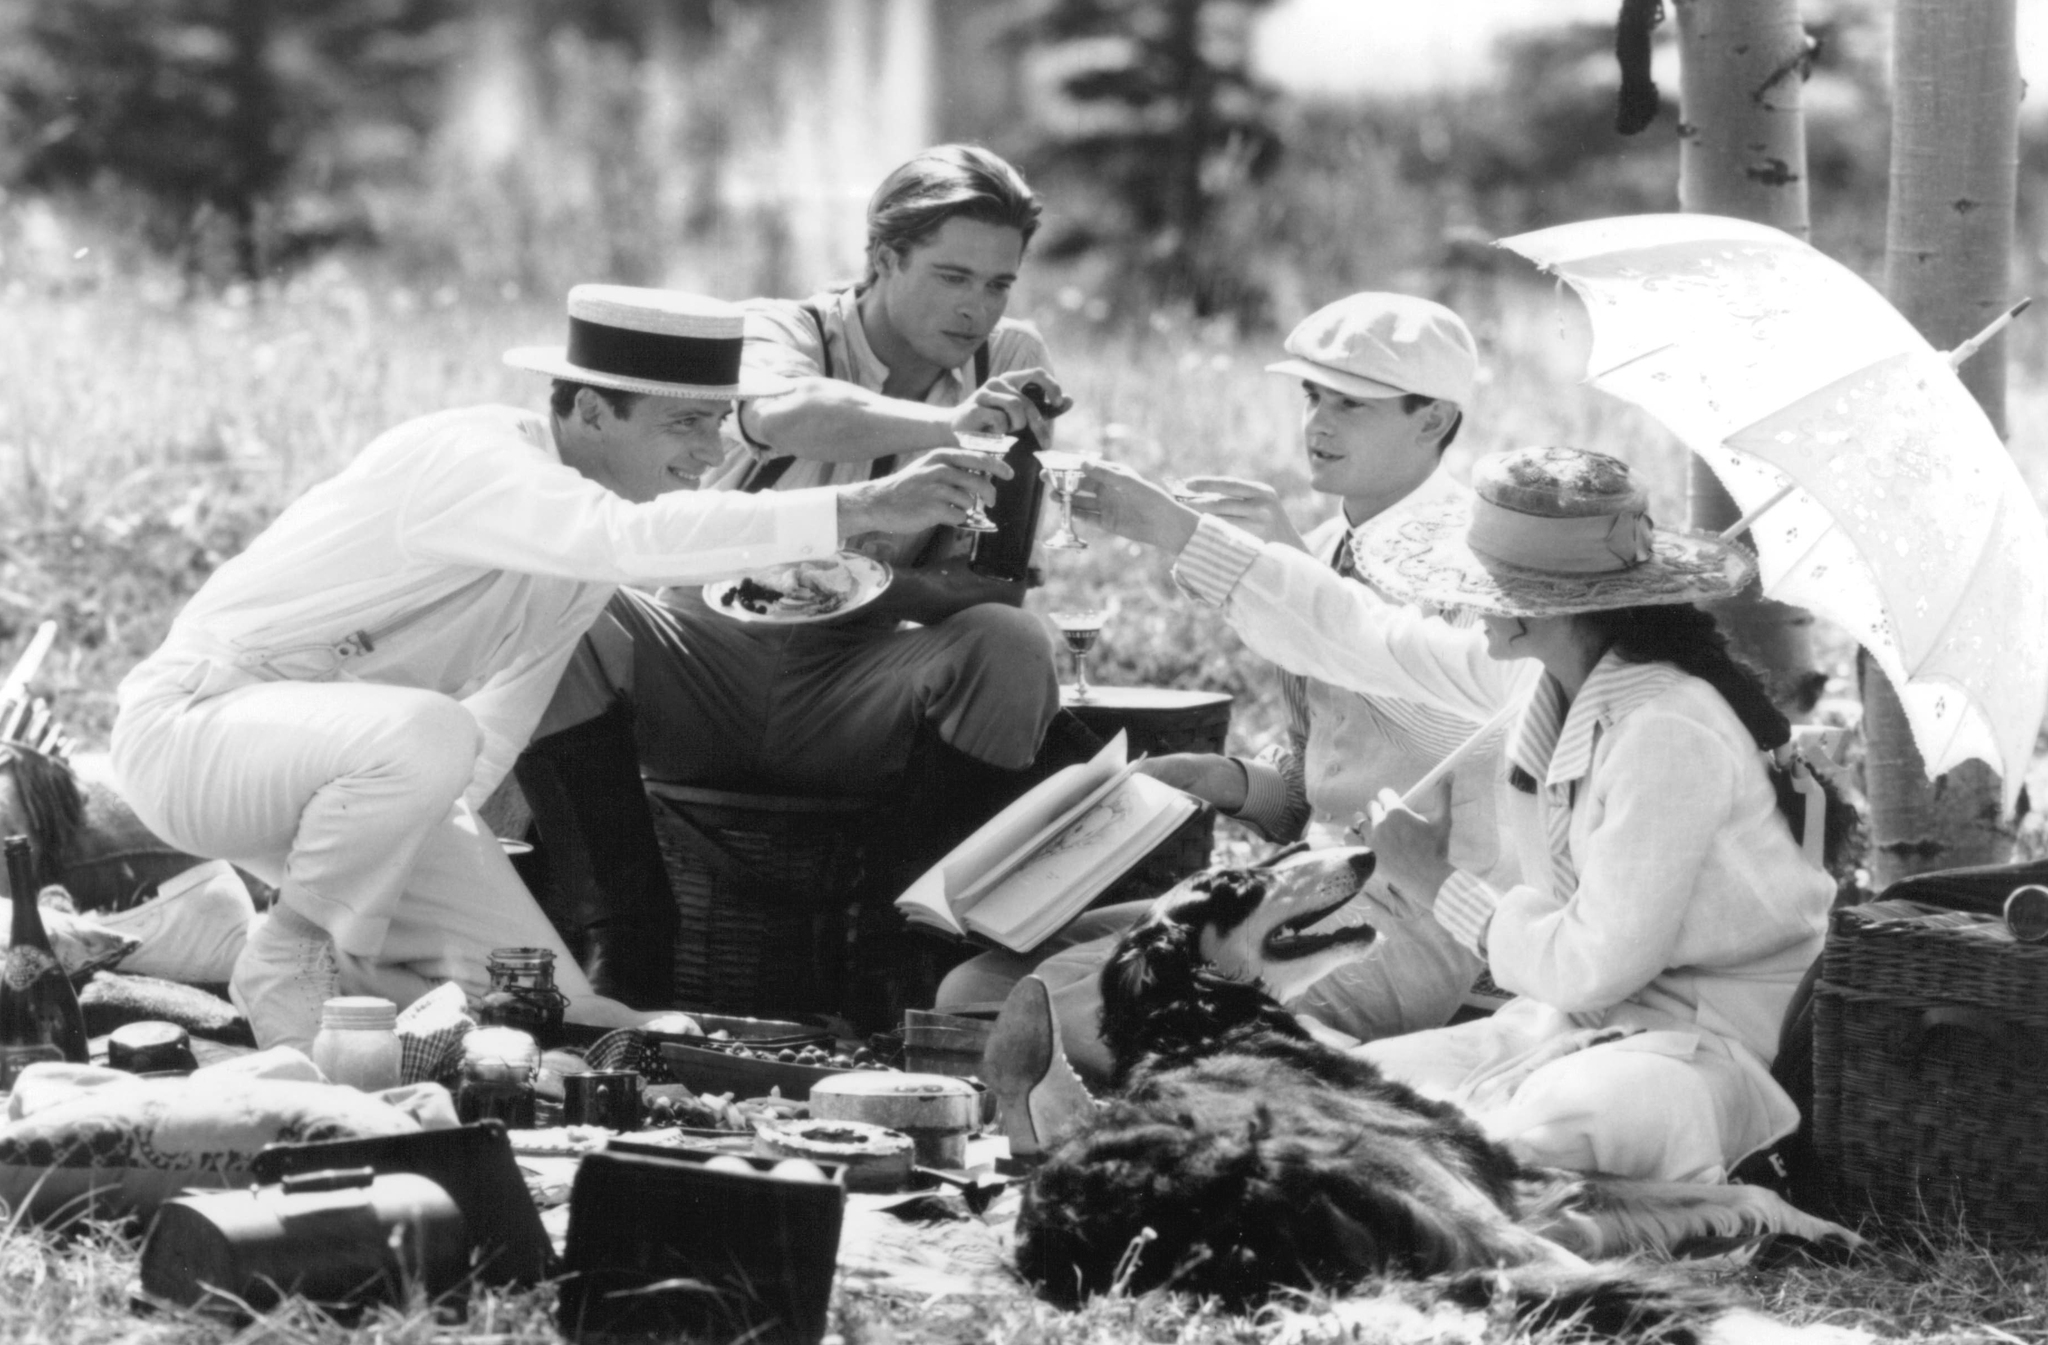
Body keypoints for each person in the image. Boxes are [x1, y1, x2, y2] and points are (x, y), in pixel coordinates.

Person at [110, 285, 1002, 1051]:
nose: (707, 454)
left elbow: (496, 727)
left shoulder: (589, 523)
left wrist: (436, 857)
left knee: (564, 1005)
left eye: (717, 423)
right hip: (195, 733)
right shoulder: (479, 459)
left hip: (354, 771)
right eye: (684, 423)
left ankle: (342, 974)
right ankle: (286, 953)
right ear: (588, 410)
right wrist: (862, 504)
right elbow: (630, 545)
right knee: (427, 731)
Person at [1079, 443, 1834, 1183]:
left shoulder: (1670, 728)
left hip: (1704, 1052)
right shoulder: (1543, 672)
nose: (1466, 599)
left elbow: (1595, 965)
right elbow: (1360, 632)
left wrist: (1437, 882)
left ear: (1550, 604)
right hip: (1565, 1027)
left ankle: (1448, 1183)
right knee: (1344, 1089)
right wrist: (1176, 530)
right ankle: (1430, 1168)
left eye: (1489, 585)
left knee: (1585, 1114)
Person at [520, 145, 1076, 1008]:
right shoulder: (784, 329)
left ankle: (897, 950)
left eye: (998, 284)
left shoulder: (1012, 355)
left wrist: (863, 582)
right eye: (951, 275)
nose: (975, 307)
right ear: (883, 258)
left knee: (1011, 643)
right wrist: (950, 427)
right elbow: (789, 416)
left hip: (860, 671)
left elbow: (992, 585)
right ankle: (624, 930)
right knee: (559, 593)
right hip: (698, 652)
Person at [951, 293, 1513, 1093]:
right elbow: (1312, 782)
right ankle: (1262, 1078)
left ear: (1434, 421)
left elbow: (1452, 731)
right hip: (1289, 890)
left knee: (1071, 1017)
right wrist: (1214, 778)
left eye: (1351, 404)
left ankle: (1345, 1087)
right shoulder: (1323, 544)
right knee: (979, 989)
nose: (1318, 425)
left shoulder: (1471, 560)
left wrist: (1294, 577)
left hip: (1406, 917)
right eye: (1312, 397)